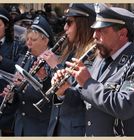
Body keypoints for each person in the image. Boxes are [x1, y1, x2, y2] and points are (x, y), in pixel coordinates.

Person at [51, 3, 134, 136]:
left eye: (102, 31)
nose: (94, 36)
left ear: (122, 34)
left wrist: (87, 82)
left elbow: (125, 106)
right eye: (94, 30)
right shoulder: (101, 56)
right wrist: (63, 91)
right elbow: (85, 98)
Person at [39, 3, 96, 136]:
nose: (65, 28)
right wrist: (44, 78)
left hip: (76, 130)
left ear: (83, 24)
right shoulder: (71, 51)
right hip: (57, 126)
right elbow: (59, 92)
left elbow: (84, 93)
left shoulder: (93, 56)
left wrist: (56, 66)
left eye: (69, 23)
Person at [1, 15, 54, 136]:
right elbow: (19, 96)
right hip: (21, 126)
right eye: (28, 39)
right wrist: (11, 95)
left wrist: (24, 87)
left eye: (33, 40)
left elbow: (53, 96)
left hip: (40, 128)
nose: (28, 44)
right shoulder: (23, 59)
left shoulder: (53, 63)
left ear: (45, 40)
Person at [0, 7, 22, 136]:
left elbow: (20, 70)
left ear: (6, 26)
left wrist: (2, 60)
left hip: (8, 105)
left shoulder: (16, 45)